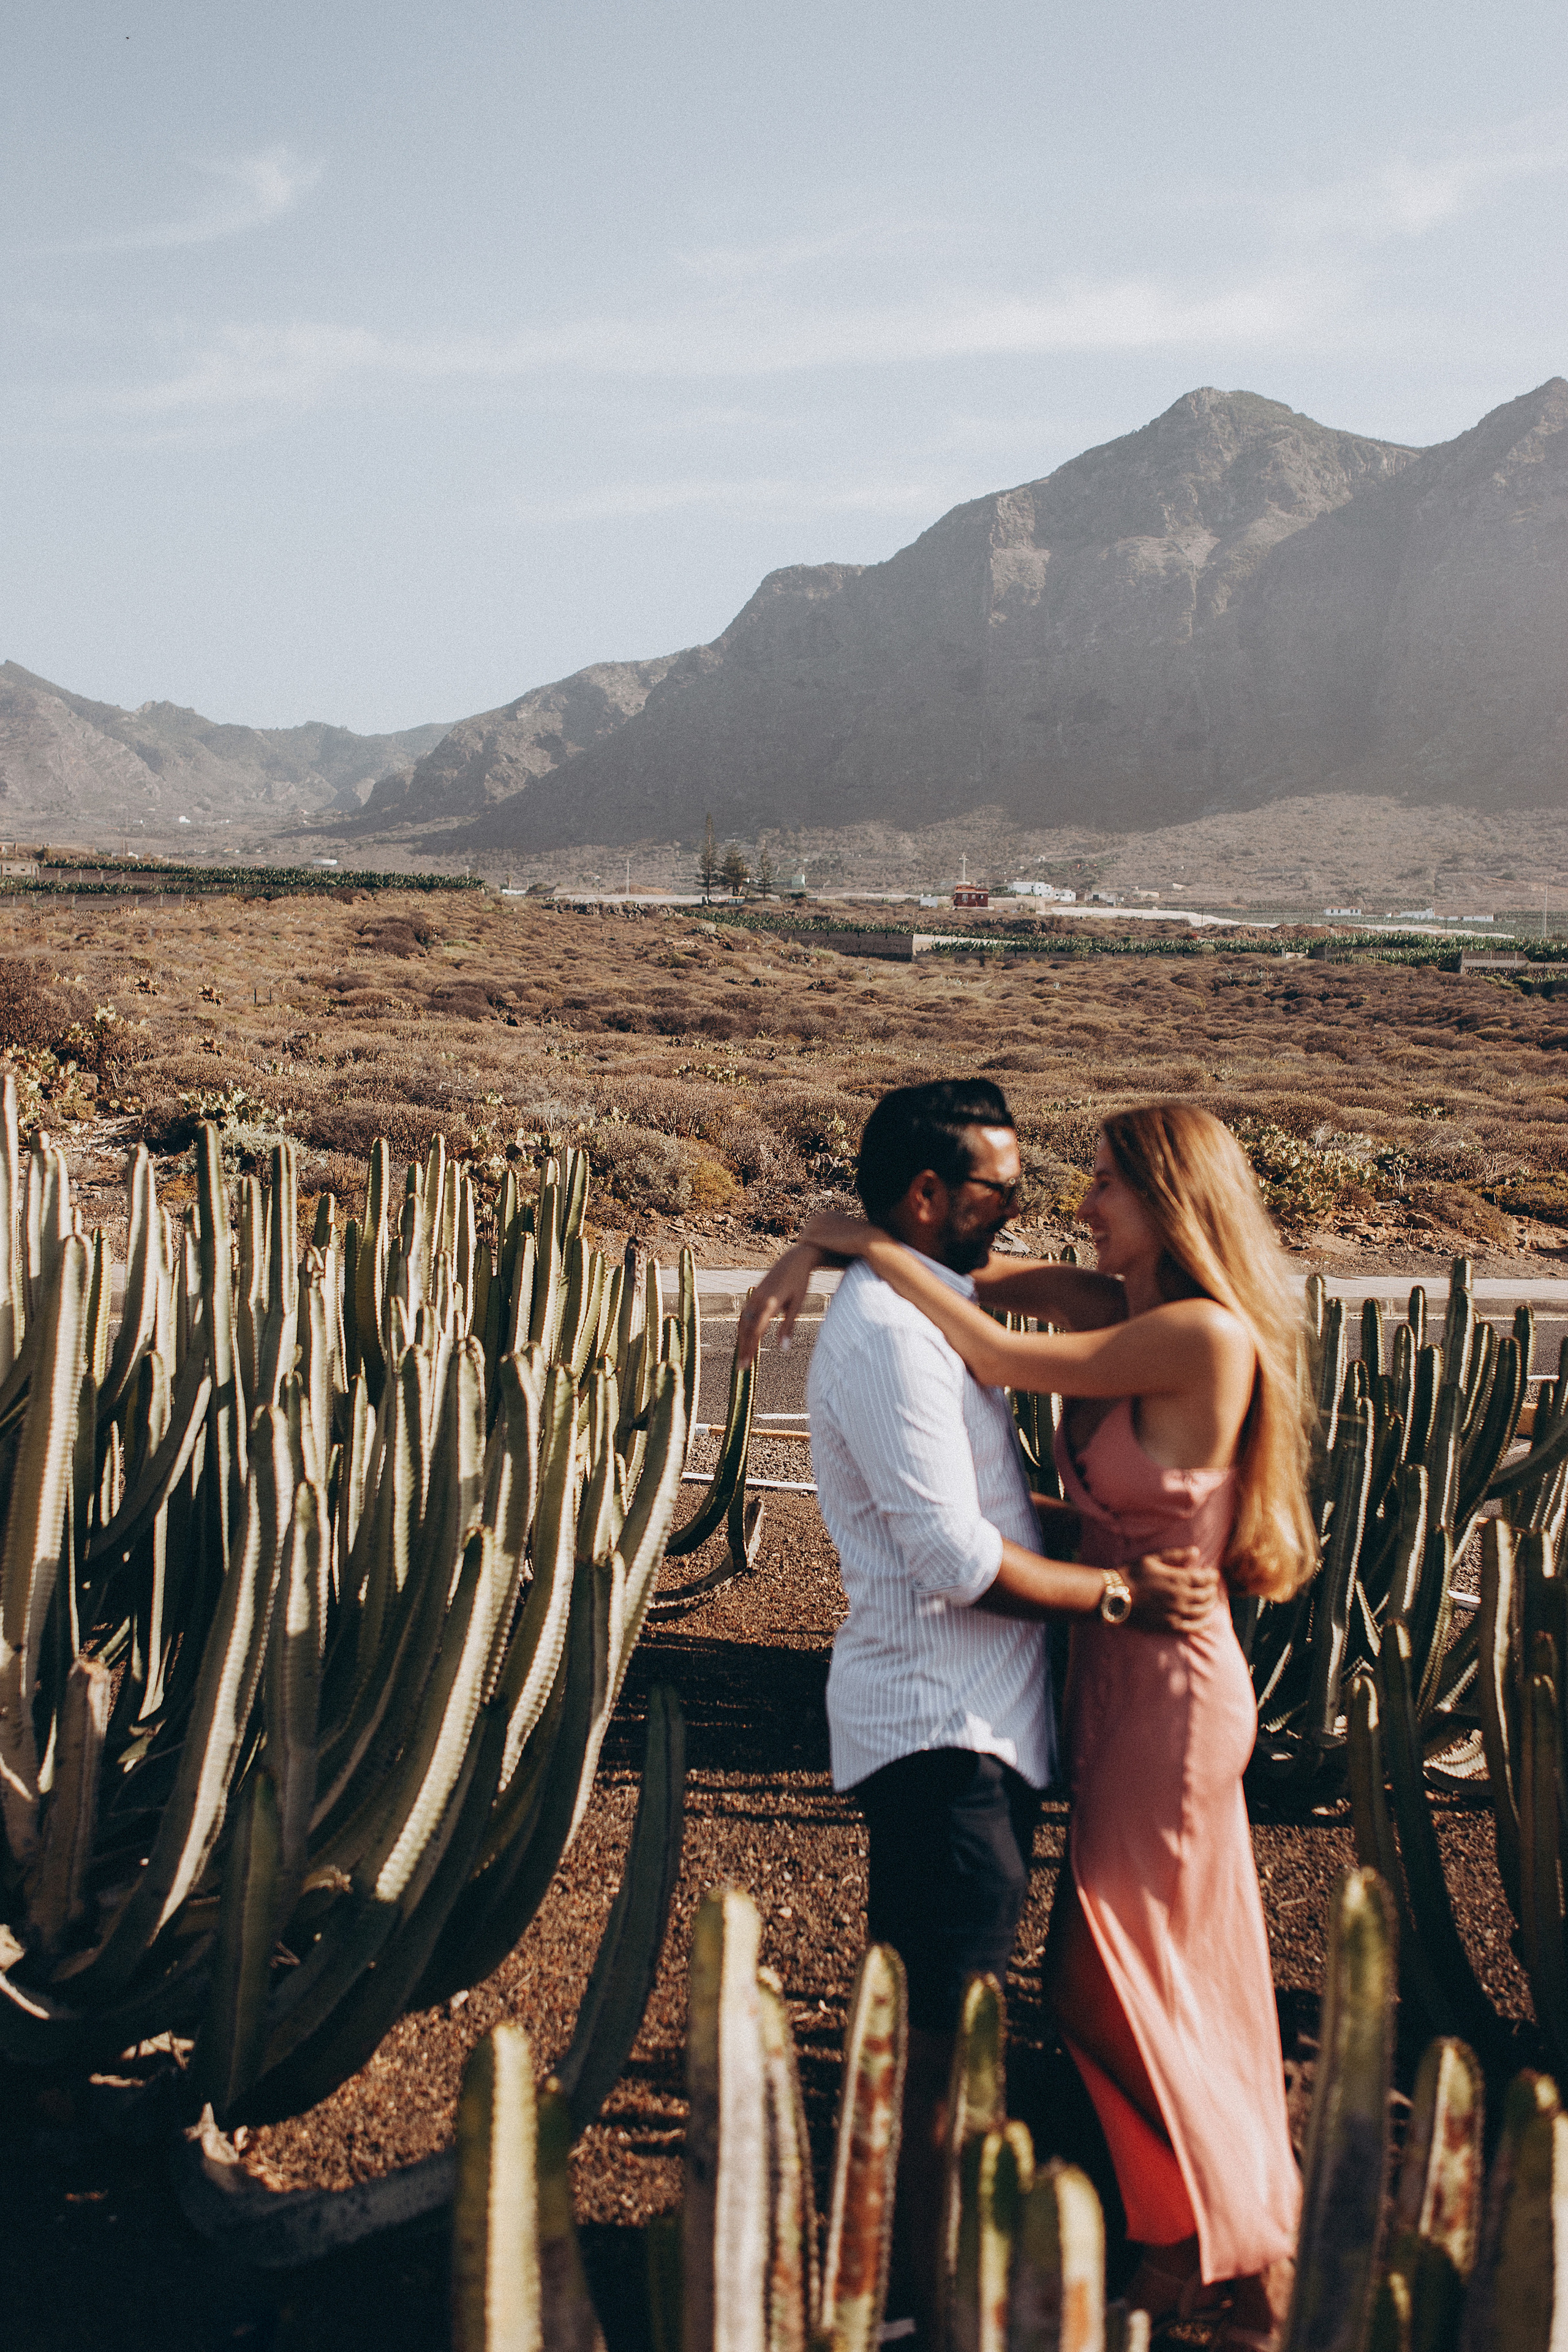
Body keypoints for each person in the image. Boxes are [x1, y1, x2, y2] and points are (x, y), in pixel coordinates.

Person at [741, 1099, 1315, 2352]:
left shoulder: (1200, 1340)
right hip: (1106, 1674)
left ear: (1167, 1203)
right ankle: (1185, 2247)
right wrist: (838, 1238)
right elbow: (975, 1270)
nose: (1079, 1204)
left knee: (1119, 1977)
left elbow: (990, 1347)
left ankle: (1226, 2244)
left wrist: (858, 1244)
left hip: (1166, 1683)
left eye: (1103, 1183)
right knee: (1119, 1975)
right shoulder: (1116, 1309)